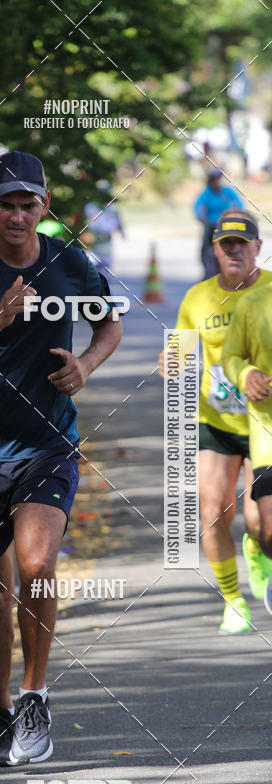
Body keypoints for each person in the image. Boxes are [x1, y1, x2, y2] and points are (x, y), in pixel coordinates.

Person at [0, 151, 122, 765]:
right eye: (6, 202)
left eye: (29, 203)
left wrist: (85, 366)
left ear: (45, 207)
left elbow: (109, 325)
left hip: (49, 443)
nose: (18, 215)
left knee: (38, 563)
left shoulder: (70, 264)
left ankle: (36, 696)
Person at [158, 209, 272, 633]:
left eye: (243, 243)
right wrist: (170, 359)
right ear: (215, 250)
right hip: (217, 424)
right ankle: (233, 599)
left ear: (258, 247)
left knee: (261, 523)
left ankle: (258, 548)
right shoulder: (198, 298)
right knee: (210, 511)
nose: (234, 250)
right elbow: (178, 351)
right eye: (226, 244)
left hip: (265, 425)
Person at [221, 272, 272, 614]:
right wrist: (246, 374)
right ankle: (258, 548)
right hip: (268, 435)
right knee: (266, 532)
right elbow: (230, 356)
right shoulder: (255, 302)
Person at [194, 168, 242, 279]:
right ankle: (207, 271)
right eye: (213, 179)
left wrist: (237, 215)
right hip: (211, 224)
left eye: (218, 179)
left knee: (232, 246)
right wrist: (200, 216)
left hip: (226, 224)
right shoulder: (206, 193)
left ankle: (230, 268)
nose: (216, 181)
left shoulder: (228, 192)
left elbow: (239, 204)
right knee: (205, 246)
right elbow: (198, 206)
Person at [84, 184, 125, 276]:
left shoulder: (112, 207)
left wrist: (122, 233)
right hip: (94, 243)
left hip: (106, 242)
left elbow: (117, 222)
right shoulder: (91, 206)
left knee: (105, 268)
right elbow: (89, 223)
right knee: (94, 268)